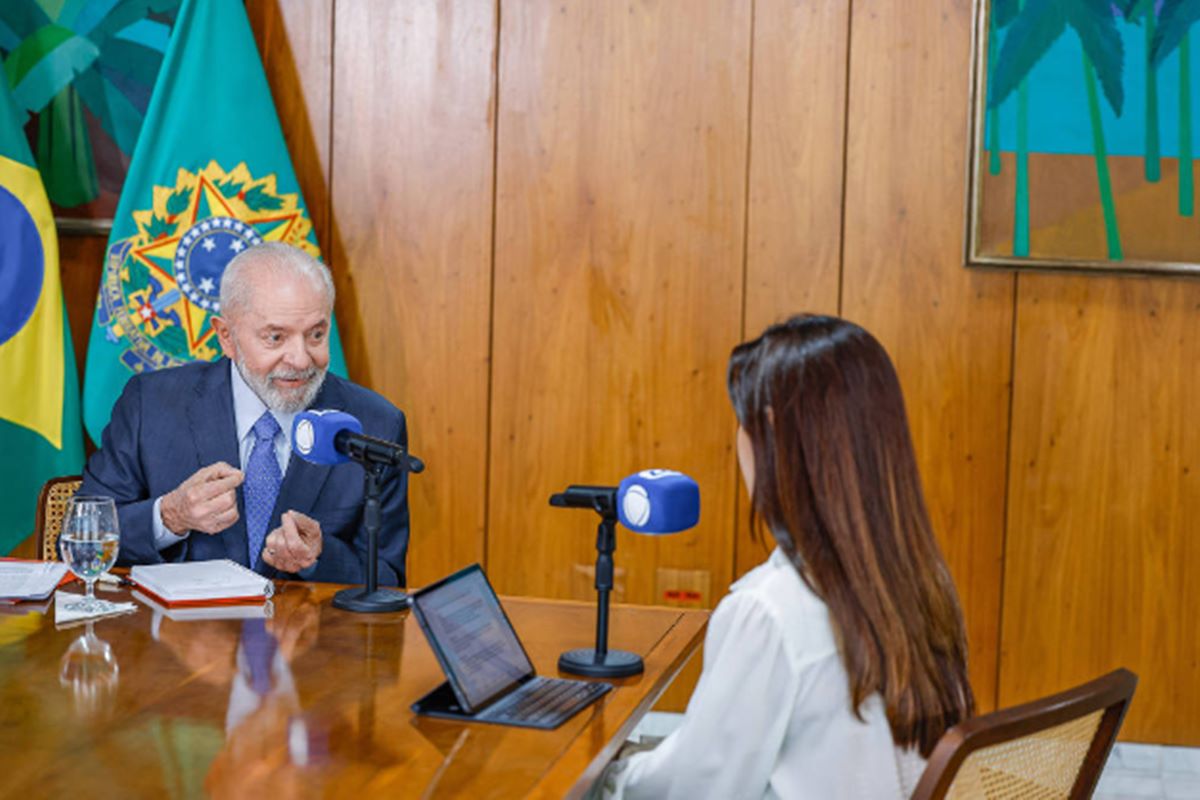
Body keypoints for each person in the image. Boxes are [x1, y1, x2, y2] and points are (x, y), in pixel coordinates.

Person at [598, 315, 974, 799]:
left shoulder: (770, 612)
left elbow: (695, 790)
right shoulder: (920, 582)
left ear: (772, 433)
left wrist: (604, 777)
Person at [79, 242, 410, 585]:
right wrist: (171, 515)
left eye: (316, 334)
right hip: (179, 634)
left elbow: (388, 580)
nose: (300, 359)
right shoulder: (151, 404)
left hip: (310, 636)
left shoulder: (375, 424)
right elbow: (81, 538)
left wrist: (321, 555)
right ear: (227, 336)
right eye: (275, 337)